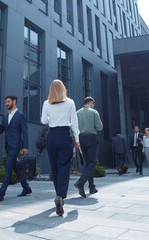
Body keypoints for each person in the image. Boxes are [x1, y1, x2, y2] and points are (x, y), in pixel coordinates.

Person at [41, 79, 79, 216]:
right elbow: (74, 123)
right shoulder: (70, 103)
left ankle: (59, 196)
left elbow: (43, 121)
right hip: (64, 135)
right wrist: (77, 140)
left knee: (55, 168)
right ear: (63, 89)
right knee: (64, 167)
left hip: (52, 136)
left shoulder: (46, 103)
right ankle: (60, 197)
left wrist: (53, 117)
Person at [0, 96, 31, 201]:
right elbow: (1, 130)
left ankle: (1, 193)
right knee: (15, 168)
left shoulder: (21, 115)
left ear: (14, 101)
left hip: (16, 146)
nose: (6, 103)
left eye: (8, 101)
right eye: (6, 102)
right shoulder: (5, 117)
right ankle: (26, 188)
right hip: (8, 146)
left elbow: (25, 132)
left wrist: (25, 146)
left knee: (8, 168)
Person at [74, 97, 103, 198]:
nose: (93, 106)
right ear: (91, 103)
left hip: (80, 139)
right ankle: (80, 183)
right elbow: (99, 127)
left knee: (88, 163)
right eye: (93, 104)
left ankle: (91, 187)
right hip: (91, 138)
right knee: (92, 162)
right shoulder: (94, 112)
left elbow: (72, 127)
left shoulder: (77, 113)